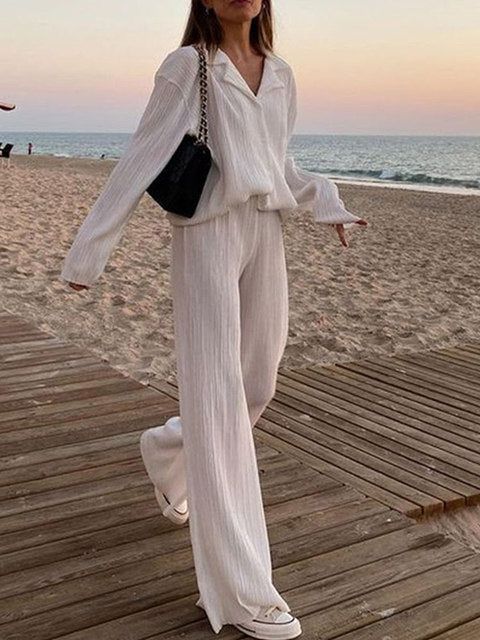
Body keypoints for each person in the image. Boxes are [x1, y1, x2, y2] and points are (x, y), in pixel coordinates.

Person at [60, 1, 368, 638]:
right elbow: (141, 157)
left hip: (266, 232)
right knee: (220, 402)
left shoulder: (279, 73)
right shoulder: (186, 66)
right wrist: (90, 249)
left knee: (257, 386)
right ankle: (243, 591)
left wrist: (328, 202)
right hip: (206, 234)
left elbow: (277, 163)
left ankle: (170, 448)